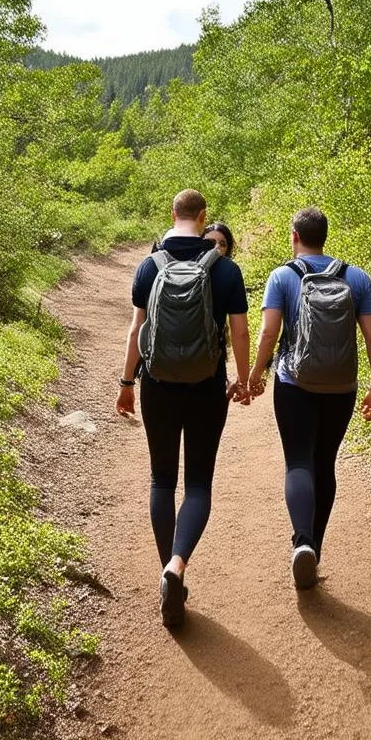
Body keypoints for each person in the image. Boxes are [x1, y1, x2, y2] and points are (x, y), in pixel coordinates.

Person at [116, 190, 250, 627]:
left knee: (160, 479)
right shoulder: (226, 269)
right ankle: (177, 566)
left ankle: (164, 573)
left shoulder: (149, 266)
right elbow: (241, 332)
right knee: (197, 485)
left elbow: (137, 330)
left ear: (172, 215)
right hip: (206, 386)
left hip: (157, 385)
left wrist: (126, 383)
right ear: (203, 217)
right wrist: (243, 379)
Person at [247, 207, 371, 589]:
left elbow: (268, 333)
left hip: (294, 383)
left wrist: (255, 376)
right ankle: (314, 550)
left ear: (294, 235)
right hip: (341, 386)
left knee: (298, 462)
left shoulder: (281, 277)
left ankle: (301, 542)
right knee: (325, 462)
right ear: (325, 236)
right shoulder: (356, 278)